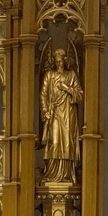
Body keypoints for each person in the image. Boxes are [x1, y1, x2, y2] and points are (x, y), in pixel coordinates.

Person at [39, 48, 83, 183]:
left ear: (65, 61)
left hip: (68, 114)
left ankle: (67, 174)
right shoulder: (49, 75)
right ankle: (52, 174)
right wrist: (45, 110)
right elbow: (43, 94)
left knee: (67, 142)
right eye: (57, 61)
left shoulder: (71, 75)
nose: (59, 64)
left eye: (61, 61)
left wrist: (67, 88)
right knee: (54, 141)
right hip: (54, 113)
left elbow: (80, 94)